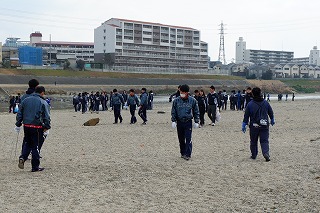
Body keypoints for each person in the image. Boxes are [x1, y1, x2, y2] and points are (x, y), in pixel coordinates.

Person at [15, 86, 51, 172]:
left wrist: (18, 123)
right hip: (37, 126)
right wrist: (47, 126)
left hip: (26, 126)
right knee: (36, 146)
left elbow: (20, 113)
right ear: (42, 92)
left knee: (27, 143)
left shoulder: (25, 100)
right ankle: (35, 166)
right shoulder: (43, 102)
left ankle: (22, 157)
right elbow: (46, 116)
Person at [242, 87, 275, 162]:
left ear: (252, 94)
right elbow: (270, 111)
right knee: (264, 141)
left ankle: (254, 155)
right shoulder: (265, 102)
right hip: (264, 124)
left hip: (254, 126)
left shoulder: (250, 104)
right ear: (260, 93)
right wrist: (272, 119)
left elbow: (246, 116)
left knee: (253, 141)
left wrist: (244, 124)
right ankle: (266, 153)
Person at [171, 84, 200, 161]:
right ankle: (182, 153)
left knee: (188, 138)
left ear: (187, 92)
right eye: (181, 92)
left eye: (183, 92)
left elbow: (196, 111)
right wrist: (173, 120)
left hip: (188, 122)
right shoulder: (176, 101)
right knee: (181, 139)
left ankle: (188, 154)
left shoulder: (193, 100)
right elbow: (173, 111)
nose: (182, 93)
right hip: (179, 122)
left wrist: (197, 121)